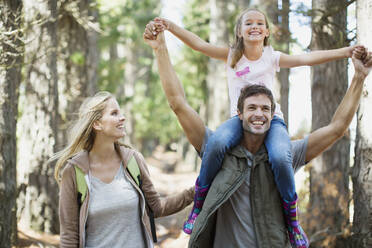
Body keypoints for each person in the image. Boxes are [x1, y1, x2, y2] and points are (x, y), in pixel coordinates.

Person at [148, 9, 364, 244]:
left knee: (280, 157)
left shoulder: (286, 153)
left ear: (273, 112)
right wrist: (163, 40)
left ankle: (294, 220)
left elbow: (336, 127)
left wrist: (357, 72)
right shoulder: (220, 151)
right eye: (252, 108)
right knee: (219, 141)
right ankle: (198, 202)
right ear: (240, 112)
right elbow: (178, 102)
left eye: (264, 108)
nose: (259, 114)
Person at [53, 91, 195, 248]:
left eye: (120, 112)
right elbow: (69, 235)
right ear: (97, 124)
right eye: (114, 113)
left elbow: (157, 207)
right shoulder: (74, 172)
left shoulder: (133, 161)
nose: (123, 118)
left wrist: (194, 192)